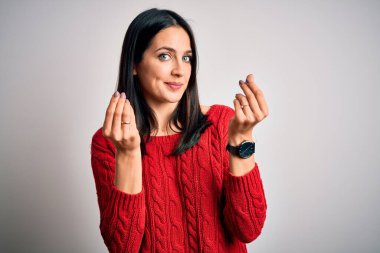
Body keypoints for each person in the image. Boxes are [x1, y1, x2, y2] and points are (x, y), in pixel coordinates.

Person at [91, 8, 269, 253]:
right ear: (134, 64)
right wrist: (129, 153)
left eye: (186, 58)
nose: (180, 70)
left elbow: (248, 228)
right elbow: (123, 247)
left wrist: (241, 139)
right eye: (165, 56)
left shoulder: (220, 122)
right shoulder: (109, 141)